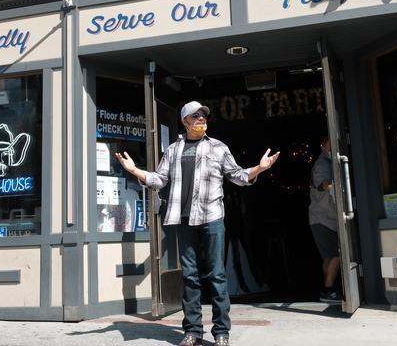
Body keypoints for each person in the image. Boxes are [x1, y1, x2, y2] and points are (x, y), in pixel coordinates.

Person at [115, 101, 279, 346]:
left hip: (211, 217)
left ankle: (221, 332)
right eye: (196, 116)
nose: (202, 118)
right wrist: (134, 170)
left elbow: (238, 176)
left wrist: (259, 168)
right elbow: (159, 179)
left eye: (204, 115)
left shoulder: (218, 147)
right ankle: (192, 331)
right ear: (185, 121)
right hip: (184, 219)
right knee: (190, 276)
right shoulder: (172, 150)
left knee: (217, 275)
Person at [309, 136, 342, 305]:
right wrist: (337, 188)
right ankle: (328, 290)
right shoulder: (322, 164)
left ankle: (328, 288)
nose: (332, 149)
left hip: (322, 219)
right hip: (323, 218)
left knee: (328, 257)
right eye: (330, 146)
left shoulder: (328, 163)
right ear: (322, 146)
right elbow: (323, 184)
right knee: (337, 255)